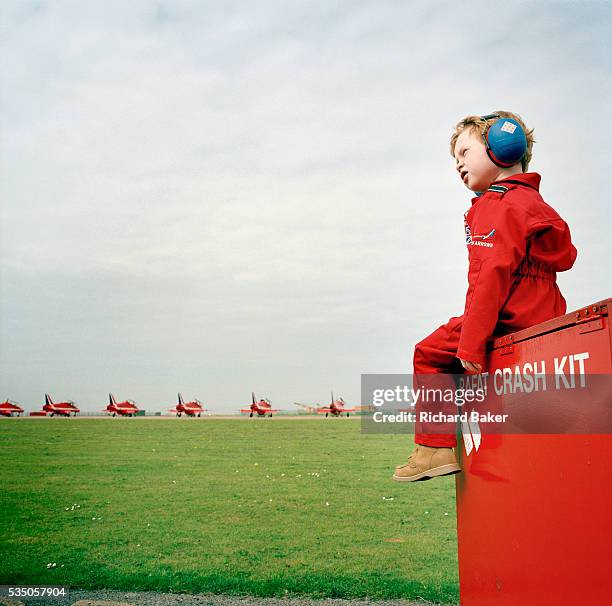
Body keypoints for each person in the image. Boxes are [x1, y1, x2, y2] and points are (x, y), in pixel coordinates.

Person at [393, 111, 577, 482]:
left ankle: (433, 450)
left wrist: (472, 345)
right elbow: (566, 257)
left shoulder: (496, 205)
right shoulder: (537, 206)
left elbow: (488, 276)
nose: (458, 164)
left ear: (501, 147)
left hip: (504, 316)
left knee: (428, 354)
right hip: (543, 321)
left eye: (464, 152)